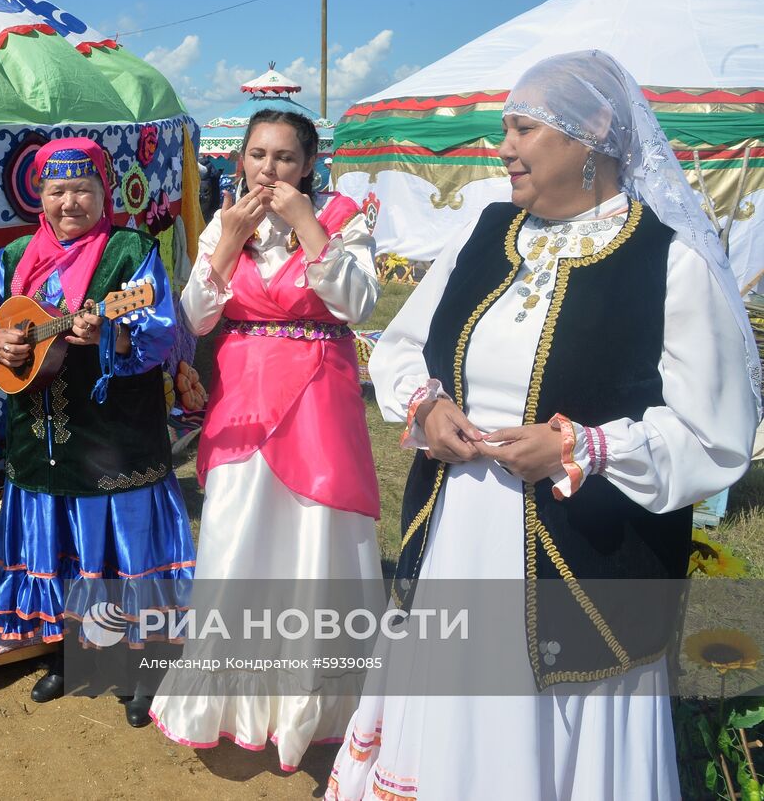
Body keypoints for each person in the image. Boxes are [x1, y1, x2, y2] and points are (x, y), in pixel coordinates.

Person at [325, 50, 759, 800]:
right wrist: (427, 408)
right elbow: (400, 349)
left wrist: (580, 446)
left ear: (588, 135)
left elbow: (715, 432)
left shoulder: (666, 261)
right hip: (461, 532)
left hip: (587, 554)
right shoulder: (488, 232)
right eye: (504, 129)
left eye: (523, 128)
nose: (504, 148)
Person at [150, 109, 383, 770]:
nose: (268, 169)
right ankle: (232, 700)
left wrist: (309, 226)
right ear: (242, 158)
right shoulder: (229, 223)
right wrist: (227, 242)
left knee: (317, 539)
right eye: (258, 155)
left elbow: (358, 304)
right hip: (243, 401)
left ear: (308, 164)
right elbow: (194, 317)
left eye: (284, 158)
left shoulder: (342, 217)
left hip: (319, 399)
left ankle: (319, 701)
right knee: (234, 533)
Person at [0, 137, 194, 726]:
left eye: (83, 188)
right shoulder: (12, 256)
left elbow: (163, 328)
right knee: (58, 555)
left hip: (118, 446)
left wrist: (114, 336)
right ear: (40, 195)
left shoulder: (130, 252)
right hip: (40, 445)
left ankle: (144, 669)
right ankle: (68, 654)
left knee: (123, 557)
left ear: (103, 192)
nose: (69, 202)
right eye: (56, 190)